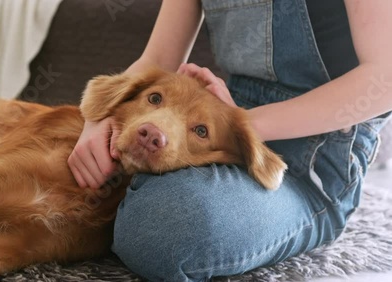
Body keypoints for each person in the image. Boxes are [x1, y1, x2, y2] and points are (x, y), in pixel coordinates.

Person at [68, 0, 392, 281]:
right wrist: (96, 117)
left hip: (310, 169)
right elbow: (158, 58)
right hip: (216, 141)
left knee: (166, 227)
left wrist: (244, 125)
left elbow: (385, 79)